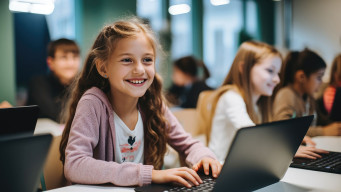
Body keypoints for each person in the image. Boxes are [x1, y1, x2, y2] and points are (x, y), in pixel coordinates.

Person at [59, 17, 221, 188]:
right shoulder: (93, 103)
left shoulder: (152, 103)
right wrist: (148, 174)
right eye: (127, 60)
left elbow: (188, 145)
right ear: (103, 68)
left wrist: (205, 158)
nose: (139, 69)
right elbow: (75, 165)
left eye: (147, 60)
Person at [206, 41, 327, 163]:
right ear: (244, 68)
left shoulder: (257, 104)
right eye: (270, 71)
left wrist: (291, 140)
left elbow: (261, 138)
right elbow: (251, 135)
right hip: (220, 169)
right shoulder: (231, 98)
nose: (277, 80)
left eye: (278, 73)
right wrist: (287, 149)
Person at [273, 49, 341, 136]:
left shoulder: (309, 97)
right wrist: (322, 131)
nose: (322, 82)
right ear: (301, 77)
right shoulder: (286, 94)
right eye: (319, 77)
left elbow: (322, 120)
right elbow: (283, 128)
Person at [26, 38, 80, 123]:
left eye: (74, 57)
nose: (71, 63)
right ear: (50, 62)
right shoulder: (38, 83)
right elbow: (55, 115)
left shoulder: (82, 84)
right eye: (64, 57)